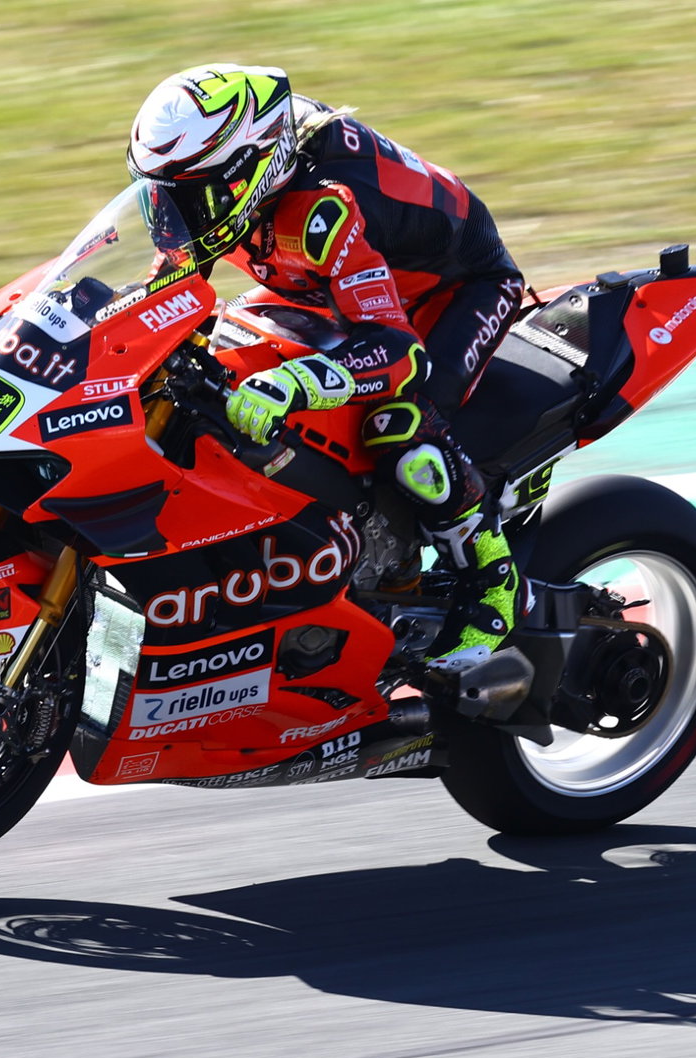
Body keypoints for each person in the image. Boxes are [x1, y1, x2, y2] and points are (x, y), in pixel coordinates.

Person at [124, 63, 527, 672]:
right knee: (212, 360)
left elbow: (394, 349)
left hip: (453, 290)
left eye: (184, 196)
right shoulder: (221, 190)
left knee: (399, 420)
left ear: (250, 172)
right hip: (330, 286)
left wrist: (296, 381)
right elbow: (167, 295)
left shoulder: (323, 210)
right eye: (157, 192)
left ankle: (493, 587)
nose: (169, 214)